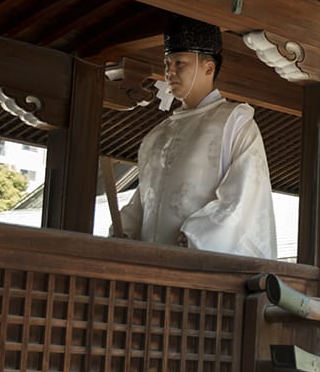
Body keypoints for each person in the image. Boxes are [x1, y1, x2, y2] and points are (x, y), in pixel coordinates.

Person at [117, 14, 276, 258]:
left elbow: (243, 201)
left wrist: (196, 236)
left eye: (180, 63)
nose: (170, 71)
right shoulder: (156, 135)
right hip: (149, 266)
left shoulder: (234, 122)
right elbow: (144, 201)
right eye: (167, 63)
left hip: (198, 267)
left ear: (208, 67)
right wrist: (124, 232)